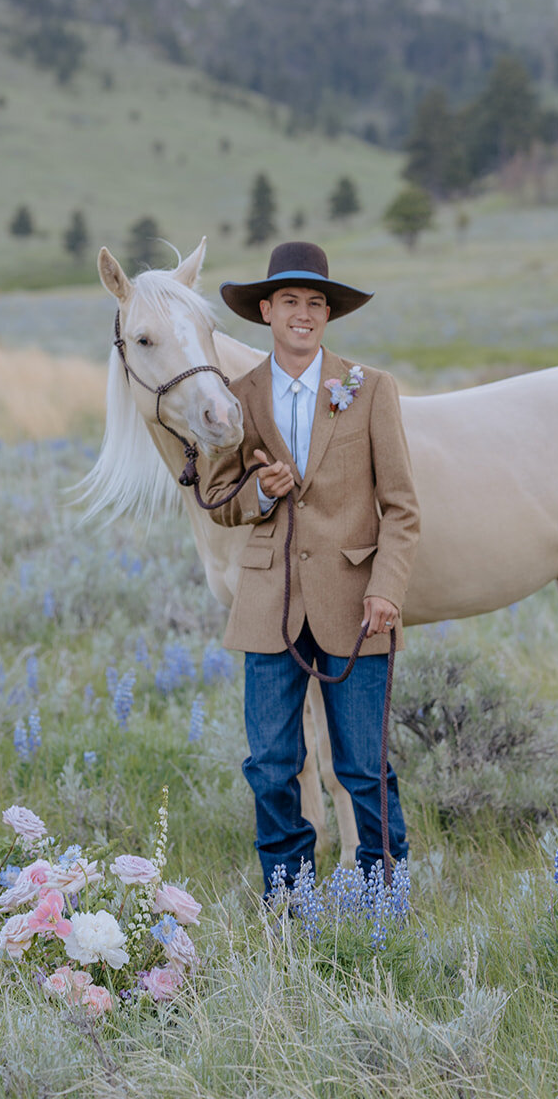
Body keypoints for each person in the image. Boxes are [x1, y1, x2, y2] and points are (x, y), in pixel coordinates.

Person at [202, 241, 420, 891]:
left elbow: (402, 508)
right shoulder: (236, 398)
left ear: (327, 314)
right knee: (270, 762)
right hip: (269, 602)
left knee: (363, 767)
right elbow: (219, 500)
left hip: (356, 603)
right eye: (290, 301)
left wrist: (386, 590)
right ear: (265, 309)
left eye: (315, 303)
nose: (303, 313)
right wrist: (262, 491)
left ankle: (385, 896)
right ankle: (289, 893)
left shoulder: (369, 389)